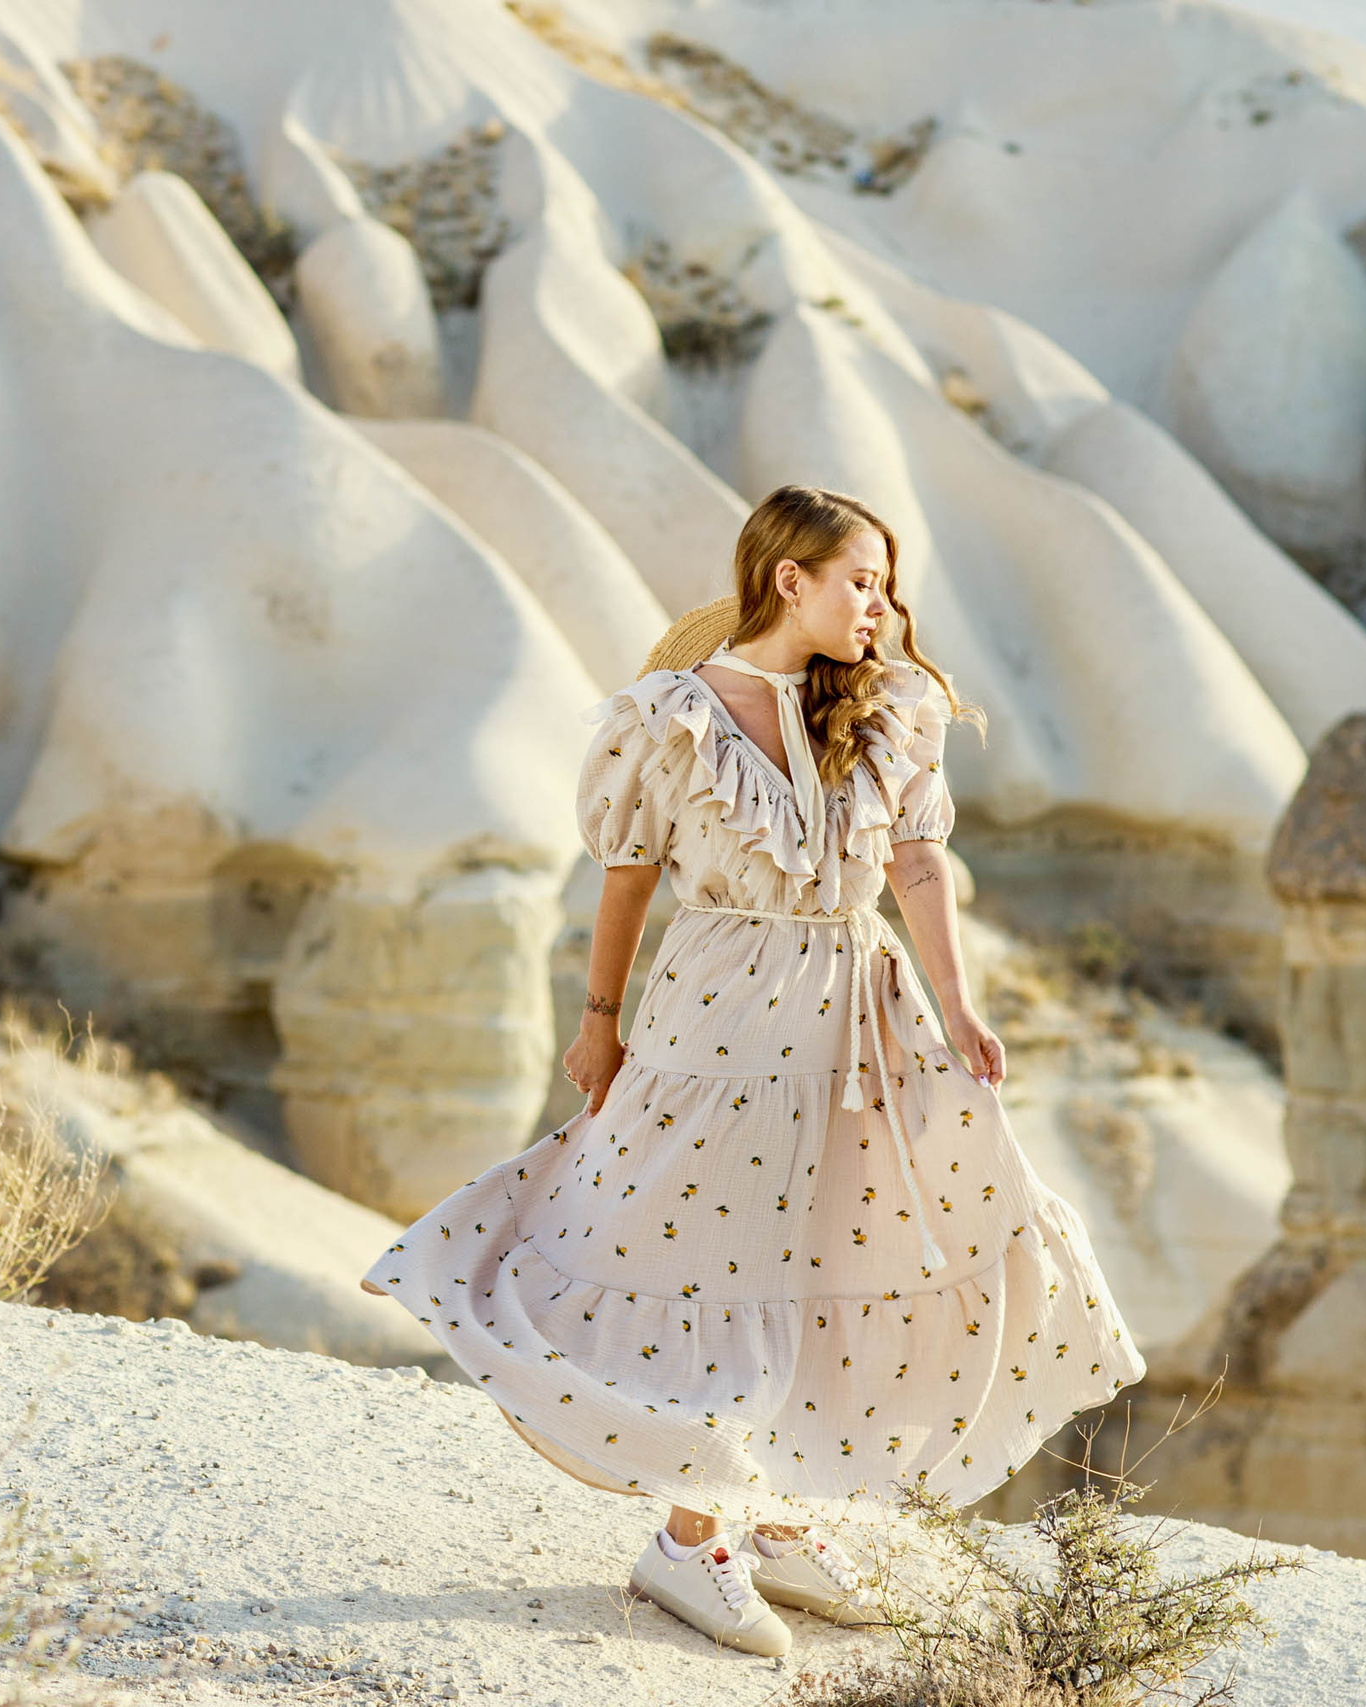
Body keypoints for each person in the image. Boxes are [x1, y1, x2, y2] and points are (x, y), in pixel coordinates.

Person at [362, 484, 1144, 1656]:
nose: (882, 607)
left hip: (859, 1017)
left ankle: (774, 1518)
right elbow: (624, 882)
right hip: (719, 1018)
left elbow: (919, 865)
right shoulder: (666, 717)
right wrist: (599, 1021)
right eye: (861, 581)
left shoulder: (892, 710)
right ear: (793, 581)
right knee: (705, 1258)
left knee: (840, 1246)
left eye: (883, 585)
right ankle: (686, 1539)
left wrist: (959, 1002)